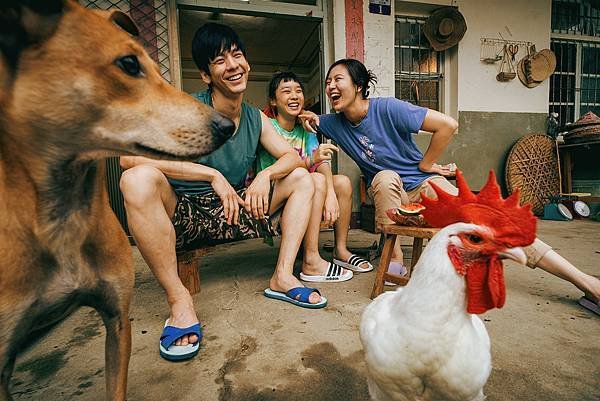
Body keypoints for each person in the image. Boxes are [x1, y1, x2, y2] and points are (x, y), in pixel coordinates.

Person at [301, 58, 600, 316]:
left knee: (493, 221)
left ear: (359, 84)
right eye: (327, 82)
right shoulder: (332, 123)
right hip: (390, 195)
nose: (330, 86)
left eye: (337, 79)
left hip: (426, 186)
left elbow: (448, 125)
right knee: (382, 177)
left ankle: (586, 282)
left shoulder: (388, 108)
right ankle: (395, 262)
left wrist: (426, 165)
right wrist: (307, 116)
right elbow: (305, 123)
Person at [119, 23, 327, 362]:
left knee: (303, 177)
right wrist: (210, 173)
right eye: (220, 60)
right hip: (185, 213)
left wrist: (265, 176)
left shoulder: (255, 118)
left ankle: (283, 276)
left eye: (237, 55)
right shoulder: (186, 109)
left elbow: (291, 156)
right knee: (136, 179)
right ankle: (180, 301)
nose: (233, 65)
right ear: (205, 75)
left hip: (235, 207)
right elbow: (130, 157)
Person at [258, 71, 373, 283]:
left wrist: (330, 195)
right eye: (286, 91)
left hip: (305, 192)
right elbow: (291, 166)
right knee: (315, 179)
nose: (294, 96)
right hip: (277, 197)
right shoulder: (268, 127)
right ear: (273, 101)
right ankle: (311, 259)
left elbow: (321, 164)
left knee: (342, 183)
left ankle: (340, 250)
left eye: (298, 91)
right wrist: (312, 162)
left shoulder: (306, 130)